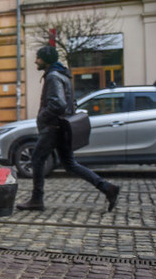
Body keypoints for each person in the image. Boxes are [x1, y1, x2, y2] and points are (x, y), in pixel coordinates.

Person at [16, 45, 120, 212]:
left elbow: (58, 103)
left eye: (38, 57)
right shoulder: (63, 75)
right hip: (61, 126)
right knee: (70, 164)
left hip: (53, 127)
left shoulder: (53, 77)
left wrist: (42, 117)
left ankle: (37, 199)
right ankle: (107, 187)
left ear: (46, 60)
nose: (36, 61)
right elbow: (70, 102)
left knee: (36, 159)